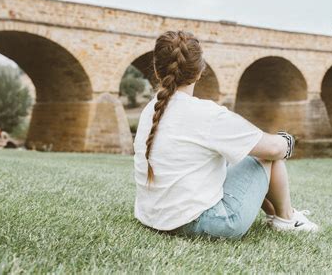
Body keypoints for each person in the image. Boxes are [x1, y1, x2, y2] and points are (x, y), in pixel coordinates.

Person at [134, 31, 319, 240]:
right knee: (266, 156)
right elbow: (273, 149)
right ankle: (286, 219)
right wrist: (287, 141)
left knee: (241, 156)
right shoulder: (207, 114)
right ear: (199, 72)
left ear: (158, 72)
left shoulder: (150, 110)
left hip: (151, 217)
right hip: (203, 223)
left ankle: (280, 216)